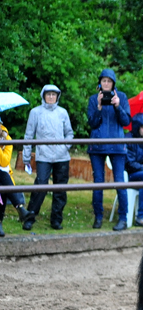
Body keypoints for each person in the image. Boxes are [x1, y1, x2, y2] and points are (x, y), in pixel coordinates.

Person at [22, 84, 74, 231]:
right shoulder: (35, 112)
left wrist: (64, 147)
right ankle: (30, 217)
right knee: (40, 186)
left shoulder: (63, 113)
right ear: (43, 95)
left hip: (62, 156)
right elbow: (28, 135)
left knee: (60, 189)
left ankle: (56, 220)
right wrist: (26, 157)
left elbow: (69, 133)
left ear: (58, 96)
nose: (51, 97)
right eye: (48, 94)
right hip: (43, 155)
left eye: (54, 94)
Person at [87, 68, 132, 230]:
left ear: (113, 83)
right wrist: (99, 106)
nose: (106, 83)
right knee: (98, 182)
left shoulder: (122, 97)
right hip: (97, 146)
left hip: (117, 146)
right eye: (103, 81)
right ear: (100, 82)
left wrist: (118, 106)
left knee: (120, 182)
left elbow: (126, 122)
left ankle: (123, 218)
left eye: (109, 81)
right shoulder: (93, 99)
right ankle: (98, 217)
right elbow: (92, 123)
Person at [0, 115, 31, 236]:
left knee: (2, 183)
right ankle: (20, 207)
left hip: (3, 176)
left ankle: (0, 223)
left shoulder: (8, 140)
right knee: (2, 178)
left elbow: (4, 162)